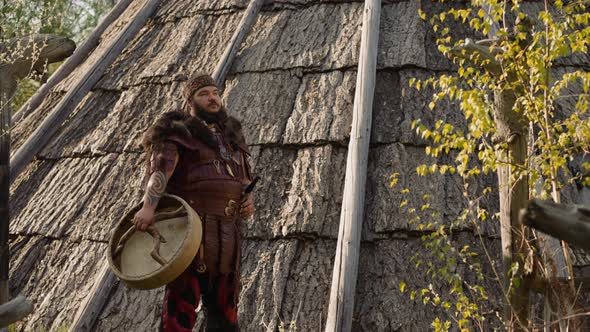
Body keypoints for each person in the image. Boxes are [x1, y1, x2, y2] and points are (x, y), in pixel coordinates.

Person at [132, 73, 255, 331]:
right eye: (204, 94)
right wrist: (148, 207)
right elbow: (160, 172)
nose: (212, 98)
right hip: (191, 234)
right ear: (191, 101)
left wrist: (248, 199)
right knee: (181, 309)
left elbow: (244, 178)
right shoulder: (178, 132)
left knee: (225, 313)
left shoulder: (232, 134)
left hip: (228, 235)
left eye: (215, 93)